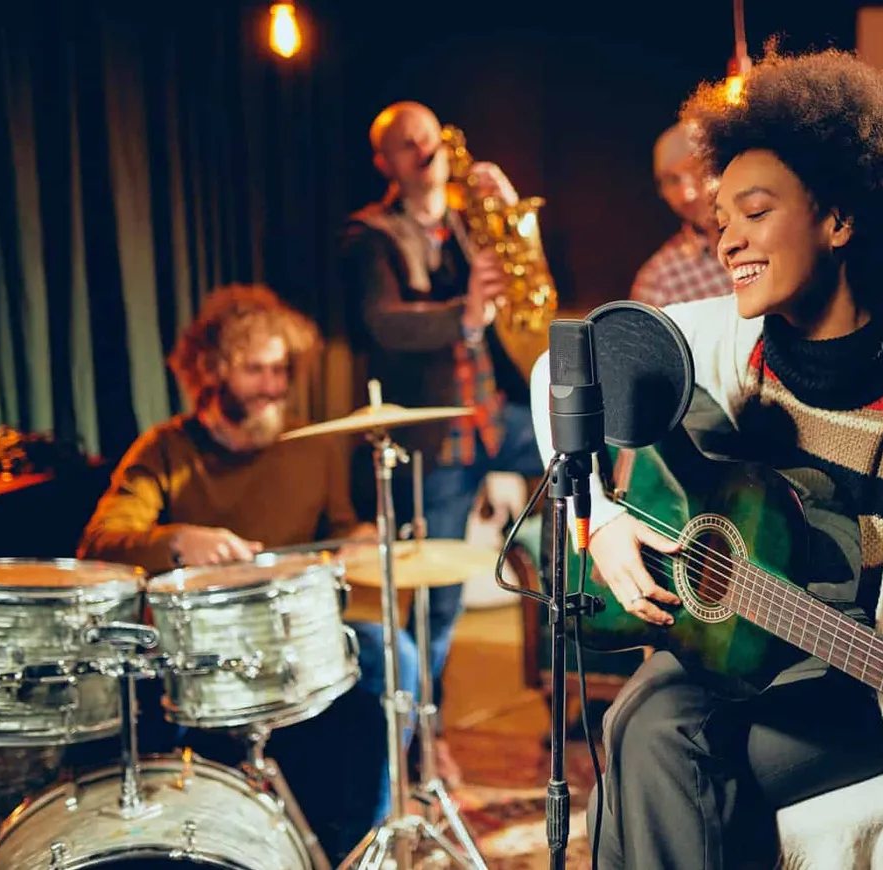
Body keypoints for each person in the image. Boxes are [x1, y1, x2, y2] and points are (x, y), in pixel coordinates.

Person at [531, 49, 883, 869]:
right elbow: (566, 365)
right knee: (642, 722)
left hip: (861, 684)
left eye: (753, 213)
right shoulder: (726, 336)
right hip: (744, 656)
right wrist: (603, 521)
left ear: (840, 218)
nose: (727, 241)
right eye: (720, 218)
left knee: (646, 732)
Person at [77, 283, 419, 864]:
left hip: (294, 636)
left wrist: (359, 541)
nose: (274, 386)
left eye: (282, 369)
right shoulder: (164, 450)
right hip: (196, 649)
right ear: (210, 370)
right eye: (256, 370)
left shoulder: (312, 448)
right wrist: (179, 541)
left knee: (396, 655)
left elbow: (340, 527)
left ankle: (361, 843)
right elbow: (99, 544)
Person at [339, 101, 546, 785]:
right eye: (405, 143)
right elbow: (382, 322)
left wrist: (512, 211)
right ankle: (421, 741)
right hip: (438, 438)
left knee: (590, 471)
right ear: (386, 163)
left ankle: (590, 644)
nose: (421, 149)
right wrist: (464, 312)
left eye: (428, 137)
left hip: (497, 416)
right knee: (440, 600)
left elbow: (531, 295)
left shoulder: (466, 224)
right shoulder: (369, 237)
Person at [630, 121, 734, 307]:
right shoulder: (659, 280)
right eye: (672, 181)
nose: (688, 194)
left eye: (698, 171)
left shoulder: (772, 240)